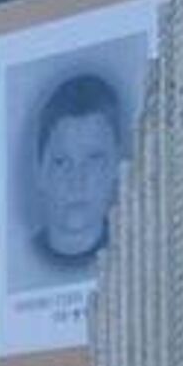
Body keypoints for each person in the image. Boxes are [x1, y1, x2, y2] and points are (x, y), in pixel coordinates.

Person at [29, 73, 125, 278]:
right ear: (40, 172)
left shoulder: (137, 253)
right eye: (61, 162)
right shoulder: (18, 265)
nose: (77, 180)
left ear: (117, 167)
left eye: (94, 159)